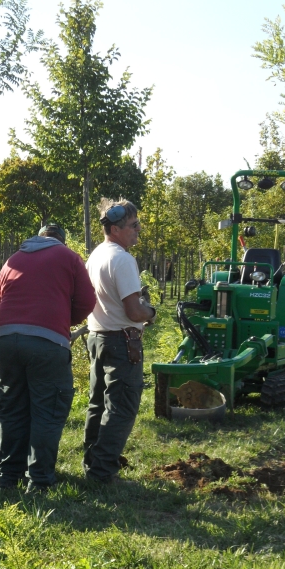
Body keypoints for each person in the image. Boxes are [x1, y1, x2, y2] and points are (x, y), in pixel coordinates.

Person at [0, 223, 96, 491]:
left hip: (7, 339)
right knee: (48, 410)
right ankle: (39, 481)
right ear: (61, 240)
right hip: (47, 342)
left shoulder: (13, 259)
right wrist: (62, 321)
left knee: (12, 408)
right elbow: (87, 301)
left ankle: (8, 478)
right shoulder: (69, 257)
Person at [83, 200, 156, 484]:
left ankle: (93, 461)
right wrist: (150, 312)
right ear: (115, 229)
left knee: (98, 404)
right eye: (133, 225)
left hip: (97, 336)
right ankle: (102, 471)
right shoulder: (123, 259)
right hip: (122, 341)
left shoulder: (96, 255)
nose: (138, 229)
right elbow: (134, 312)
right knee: (122, 406)